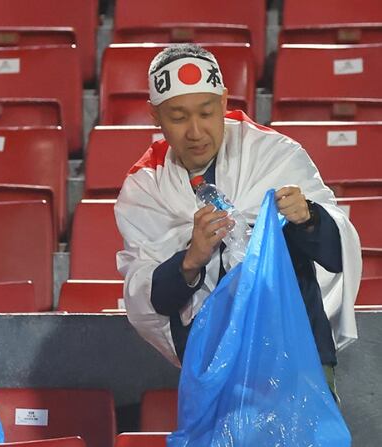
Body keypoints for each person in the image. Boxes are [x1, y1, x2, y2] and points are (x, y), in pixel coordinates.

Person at [115, 44, 361, 398]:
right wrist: (189, 261)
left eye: (207, 112)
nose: (196, 131)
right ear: (155, 116)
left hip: (296, 354)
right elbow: (149, 300)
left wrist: (308, 219)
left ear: (224, 101)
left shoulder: (274, 154)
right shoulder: (144, 189)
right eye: (179, 117)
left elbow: (336, 254)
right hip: (210, 368)